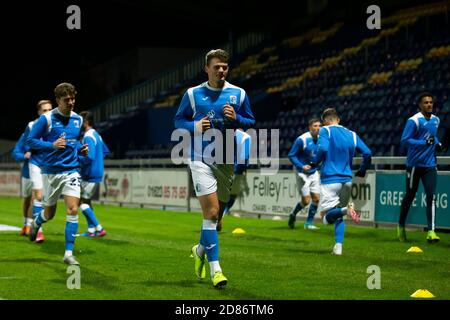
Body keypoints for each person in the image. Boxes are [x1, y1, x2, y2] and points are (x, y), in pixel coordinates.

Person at [174, 49, 255, 287]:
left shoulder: (238, 94)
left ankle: (199, 250)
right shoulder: (192, 94)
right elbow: (178, 120)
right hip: (200, 158)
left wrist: (237, 119)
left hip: (226, 161)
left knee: (216, 218)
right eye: (217, 67)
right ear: (206, 69)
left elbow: (251, 121)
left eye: (225, 67)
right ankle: (216, 270)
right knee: (209, 214)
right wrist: (194, 125)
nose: (221, 70)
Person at [27, 83, 88, 265]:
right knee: (49, 214)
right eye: (66, 99)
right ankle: (36, 222)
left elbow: (74, 142)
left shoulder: (77, 119)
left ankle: (68, 253)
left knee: (73, 209)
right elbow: (31, 141)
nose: (71, 102)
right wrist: (50, 145)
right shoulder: (47, 119)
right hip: (51, 172)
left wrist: (80, 150)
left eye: (73, 98)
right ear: (58, 100)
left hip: (71, 170)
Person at [313, 108, 372, 255]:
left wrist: (314, 162)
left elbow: (323, 148)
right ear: (338, 119)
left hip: (330, 179)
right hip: (347, 179)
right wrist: (363, 170)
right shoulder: (352, 134)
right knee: (338, 215)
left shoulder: (325, 130)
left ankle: (347, 209)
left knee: (326, 218)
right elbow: (367, 153)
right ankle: (338, 247)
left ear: (325, 121)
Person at [398, 92, 443, 243]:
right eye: (426, 102)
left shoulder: (436, 120)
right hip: (414, 166)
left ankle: (431, 231)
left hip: (430, 165)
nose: (429, 105)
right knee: (410, 196)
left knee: (432, 196)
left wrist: (438, 144)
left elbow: (432, 137)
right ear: (420, 105)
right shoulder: (414, 121)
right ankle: (401, 226)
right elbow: (405, 141)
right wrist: (424, 143)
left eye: (431, 102)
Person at [16, 100, 53, 241]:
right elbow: (23, 145)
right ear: (39, 112)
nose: (48, 112)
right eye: (44, 110)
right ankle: (37, 230)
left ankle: (33, 224)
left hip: (49, 165)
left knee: (45, 200)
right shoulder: (31, 125)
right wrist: (25, 154)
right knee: (35, 196)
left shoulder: (56, 124)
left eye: (50, 109)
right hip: (35, 164)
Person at [78, 111, 110, 237]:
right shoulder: (97, 135)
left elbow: (89, 157)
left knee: (81, 203)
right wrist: (98, 162)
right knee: (87, 201)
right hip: (96, 173)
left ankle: (99, 228)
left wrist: (77, 159)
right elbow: (105, 151)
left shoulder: (88, 136)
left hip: (89, 174)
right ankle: (91, 230)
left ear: (86, 122)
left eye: (81, 121)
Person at [287, 118, 321, 230]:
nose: (318, 128)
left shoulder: (322, 139)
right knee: (306, 201)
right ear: (310, 127)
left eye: (319, 126)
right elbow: (291, 155)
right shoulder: (302, 139)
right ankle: (293, 214)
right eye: (315, 126)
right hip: (301, 172)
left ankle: (308, 223)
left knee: (316, 198)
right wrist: (301, 166)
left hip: (314, 171)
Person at [221, 129, 251, 218]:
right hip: (236, 170)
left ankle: (220, 213)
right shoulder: (246, 137)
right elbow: (244, 157)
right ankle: (223, 212)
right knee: (233, 194)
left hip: (224, 168)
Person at [11, 132, 33, 236]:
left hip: (42, 173)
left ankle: (30, 225)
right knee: (26, 200)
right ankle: (25, 224)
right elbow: (15, 152)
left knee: (36, 199)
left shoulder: (48, 133)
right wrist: (24, 156)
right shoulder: (26, 134)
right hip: (27, 173)